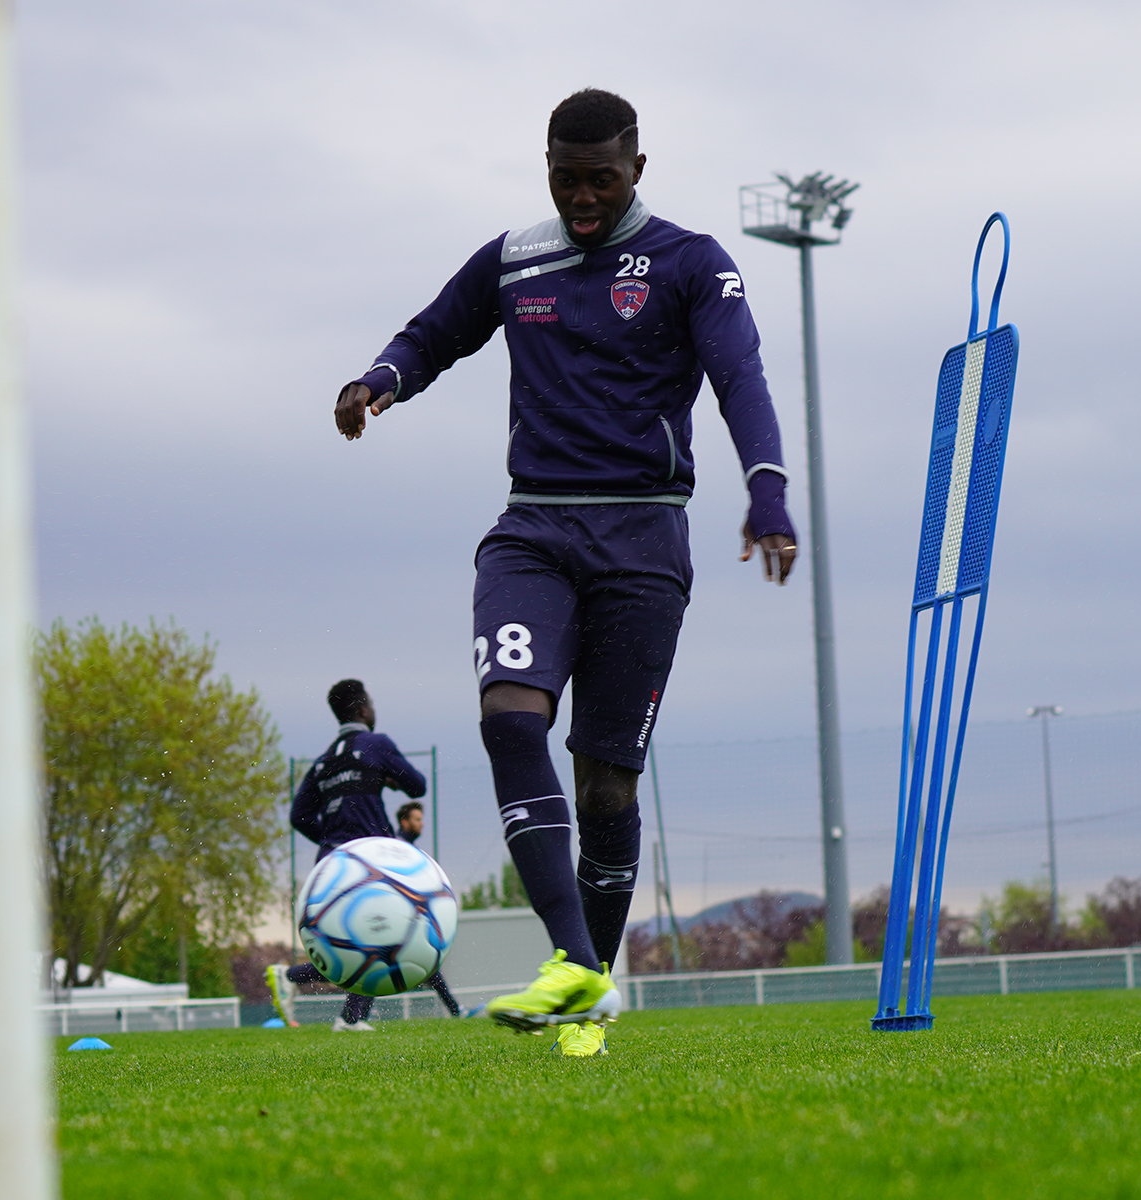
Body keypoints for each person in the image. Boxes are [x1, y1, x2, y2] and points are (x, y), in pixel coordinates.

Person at [332, 90, 796, 1056]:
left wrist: (767, 489)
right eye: (565, 176)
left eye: (602, 179)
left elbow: (739, 376)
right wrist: (379, 378)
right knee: (509, 716)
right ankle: (574, 963)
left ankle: (586, 987)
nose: (582, 197)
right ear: (546, 164)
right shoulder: (517, 257)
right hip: (532, 531)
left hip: (644, 542)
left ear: (637, 167)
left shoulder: (692, 263)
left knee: (606, 792)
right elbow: (434, 330)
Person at [268, 679, 427, 1031]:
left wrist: (329, 839)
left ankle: (351, 1017)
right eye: (371, 702)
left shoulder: (324, 759)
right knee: (383, 932)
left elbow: (298, 815)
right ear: (362, 709)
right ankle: (290, 976)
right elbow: (418, 786)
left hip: (330, 863)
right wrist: (389, 777)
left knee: (368, 936)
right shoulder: (377, 744)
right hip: (370, 857)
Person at [394, 801, 463, 1019]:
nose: (421, 824)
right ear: (404, 822)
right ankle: (292, 975)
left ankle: (455, 1010)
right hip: (397, 918)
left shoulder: (408, 847)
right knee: (376, 959)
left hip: (407, 917)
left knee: (429, 963)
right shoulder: (399, 847)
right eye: (417, 819)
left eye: (422, 819)